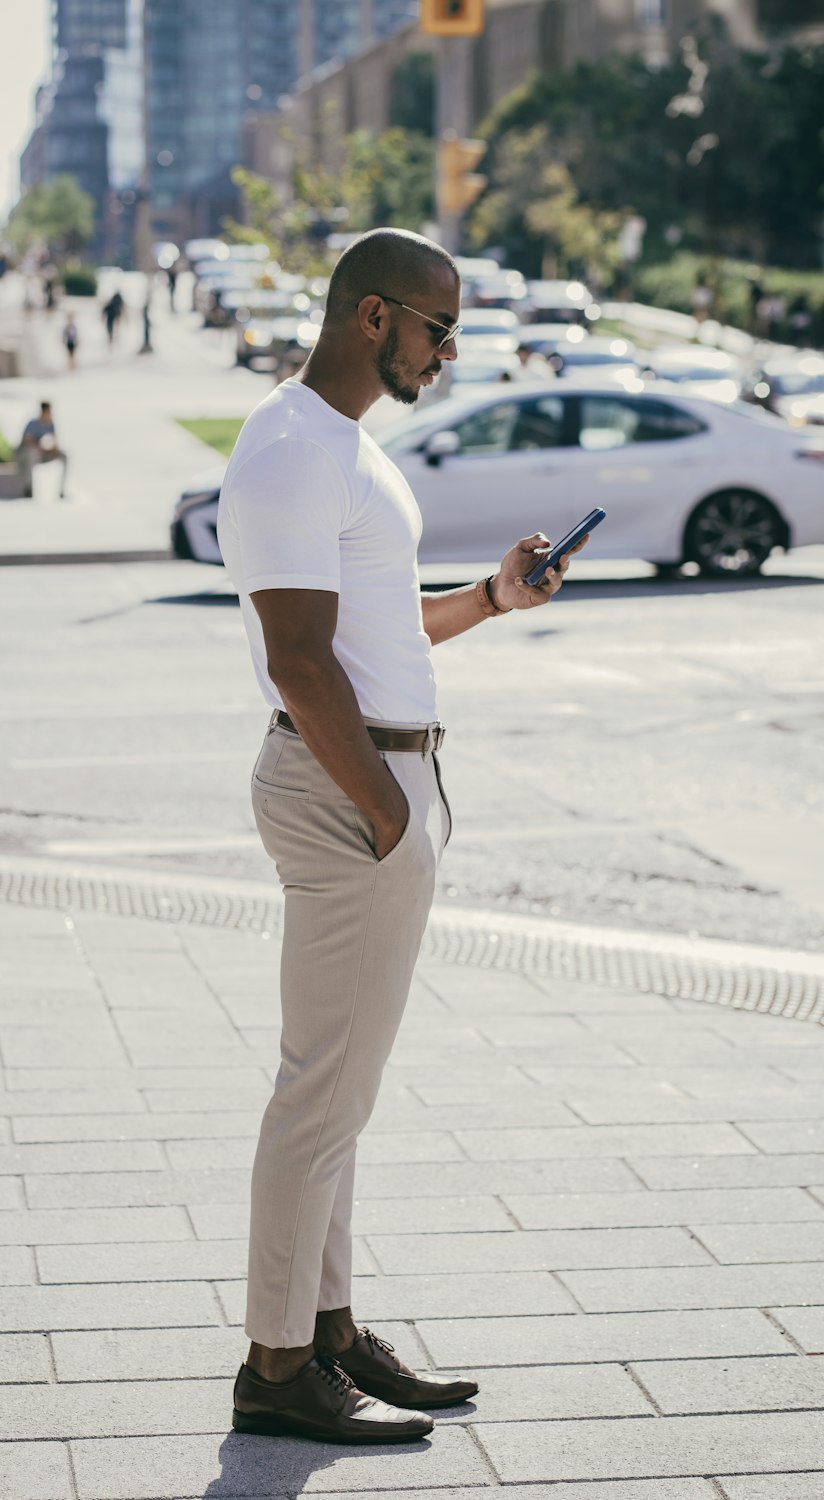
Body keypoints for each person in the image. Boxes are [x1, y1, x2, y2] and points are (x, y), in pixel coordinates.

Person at [218, 228, 585, 1447]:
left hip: (378, 782)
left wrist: (492, 597)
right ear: (373, 317)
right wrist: (383, 811)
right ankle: (277, 1365)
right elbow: (298, 657)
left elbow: (377, 632)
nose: (451, 350)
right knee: (318, 1091)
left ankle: (326, 1329)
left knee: (341, 1090)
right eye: (441, 328)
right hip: (348, 793)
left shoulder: (342, 448)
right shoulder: (286, 448)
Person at [16, 401, 67, 498]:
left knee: (64, 455)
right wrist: (39, 446)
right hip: (26, 455)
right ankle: (28, 489)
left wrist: (52, 447)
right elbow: (26, 442)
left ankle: (62, 490)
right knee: (32, 454)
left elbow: (54, 441)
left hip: (44, 454)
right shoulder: (33, 424)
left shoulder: (51, 424)